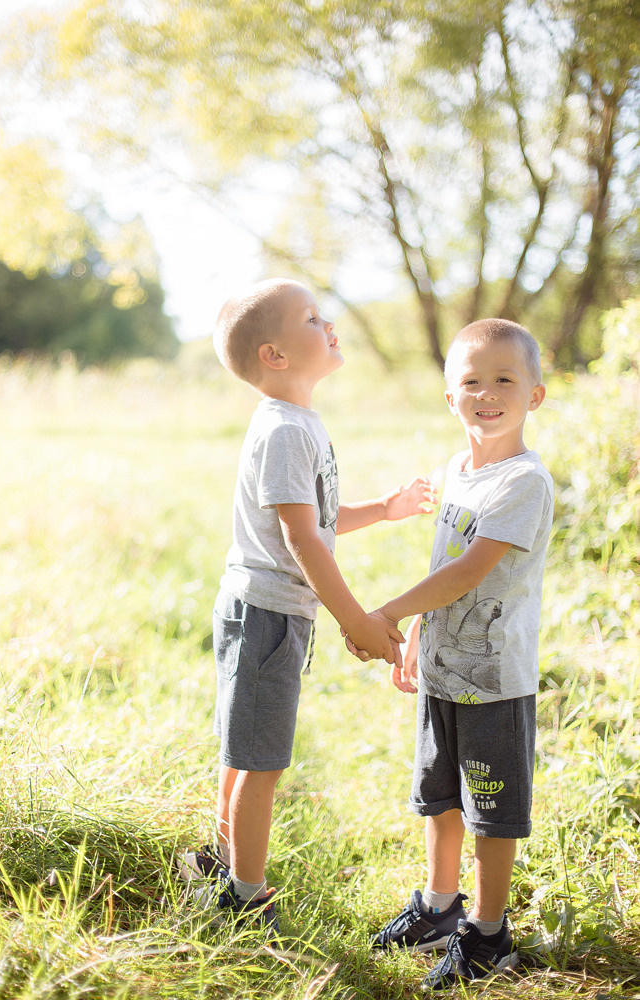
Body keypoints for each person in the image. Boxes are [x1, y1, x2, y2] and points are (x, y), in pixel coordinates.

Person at [181, 278, 436, 934]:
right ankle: (244, 894)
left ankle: (221, 864)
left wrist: (382, 509)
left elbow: (314, 520)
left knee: (244, 752)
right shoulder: (286, 429)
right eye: (313, 318)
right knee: (260, 761)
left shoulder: (297, 424)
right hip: (266, 613)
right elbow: (299, 541)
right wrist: (354, 618)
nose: (331, 324)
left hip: (262, 610)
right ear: (275, 355)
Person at [348, 319, 553, 989]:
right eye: (470, 381)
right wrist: (416, 632)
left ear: (534, 395)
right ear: (447, 397)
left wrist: (388, 612)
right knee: (438, 798)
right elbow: (442, 562)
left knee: (490, 810)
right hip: (442, 673)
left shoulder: (522, 483)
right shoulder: (456, 472)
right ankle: (438, 908)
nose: (486, 394)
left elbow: (468, 572)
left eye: (503, 380)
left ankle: (489, 935)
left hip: (493, 681)